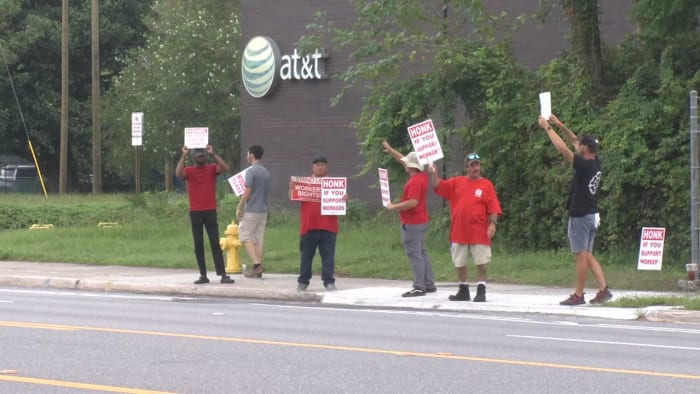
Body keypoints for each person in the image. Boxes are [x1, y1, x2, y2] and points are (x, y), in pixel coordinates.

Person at [538, 114, 612, 305]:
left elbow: (564, 149)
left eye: (581, 145)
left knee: (580, 255)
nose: (578, 145)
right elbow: (573, 140)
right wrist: (559, 124)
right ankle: (604, 290)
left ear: (585, 149)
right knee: (587, 254)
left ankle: (579, 295)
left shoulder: (584, 164)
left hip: (580, 215)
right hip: (592, 214)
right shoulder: (595, 161)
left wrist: (548, 128)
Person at [429, 152, 502, 302]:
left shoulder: (486, 185)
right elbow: (438, 186)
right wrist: (433, 172)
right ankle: (463, 290)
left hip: (479, 230)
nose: (476, 168)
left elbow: (493, 206)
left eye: (478, 164)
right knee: (460, 262)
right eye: (472, 165)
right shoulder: (456, 182)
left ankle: (481, 290)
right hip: (459, 230)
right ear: (466, 167)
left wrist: (493, 223)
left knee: (481, 261)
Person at [382, 141, 436, 297]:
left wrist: (394, 206)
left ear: (411, 167)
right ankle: (428, 283)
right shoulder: (422, 177)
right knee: (422, 251)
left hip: (413, 222)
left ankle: (419, 286)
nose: (404, 164)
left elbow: (412, 203)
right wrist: (391, 150)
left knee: (414, 253)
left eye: (407, 164)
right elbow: (403, 159)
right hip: (421, 220)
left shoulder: (414, 182)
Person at [175, 144, 234, 284]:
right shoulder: (189, 170)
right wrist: (183, 155)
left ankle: (223, 274)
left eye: (203, 156)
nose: (201, 158)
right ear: (194, 158)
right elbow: (178, 174)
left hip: (210, 210)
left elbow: (226, 168)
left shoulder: (211, 168)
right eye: (198, 156)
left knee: (215, 242)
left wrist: (214, 154)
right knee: (198, 243)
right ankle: (203, 274)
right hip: (195, 211)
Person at [295, 155, 342, 291]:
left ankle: (328, 281)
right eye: (317, 165)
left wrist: (343, 198)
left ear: (327, 167)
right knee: (306, 256)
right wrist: (292, 189)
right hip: (309, 225)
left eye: (322, 165)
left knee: (328, 256)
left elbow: (341, 201)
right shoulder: (304, 183)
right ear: (312, 167)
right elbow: (294, 198)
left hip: (329, 226)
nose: (320, 167)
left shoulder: (334, 184)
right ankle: (303, 280)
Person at [238, 144, 271, 278]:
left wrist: (240, 206)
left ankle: (257, 265)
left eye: (248, 154)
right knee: (258, 239)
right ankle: (258, 268)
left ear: (251, 155)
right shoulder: (265, 172)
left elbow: (247, 191)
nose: (247, 156)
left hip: (252, 209)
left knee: (244, 236)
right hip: (263, 209)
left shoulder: (251, 171)